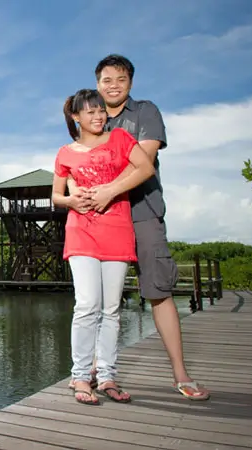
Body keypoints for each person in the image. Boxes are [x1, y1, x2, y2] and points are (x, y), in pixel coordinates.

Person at [69, 54, 211, 401]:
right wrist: (77, 193)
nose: (113, 85)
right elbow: (72, 164)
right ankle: (96, 370)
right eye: (106, 79)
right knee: (99, 301)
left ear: (130, 83)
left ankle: (180, 373)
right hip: (101, 220)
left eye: (120, 79)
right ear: (97, 83)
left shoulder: (145, 112)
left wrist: (107, 191)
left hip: (142, 211)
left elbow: (143, 163)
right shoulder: (92, 116)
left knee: (158, 288)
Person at [52, 88, 156, 405]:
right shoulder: (65, 153)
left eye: (101, 111)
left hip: (117, 230)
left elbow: (145, 168)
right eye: (91, 112)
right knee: (87, 305)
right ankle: (81, 376)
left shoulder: (121, 139)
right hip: (81, 231)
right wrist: (70, 200)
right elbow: (57, 196)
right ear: (76, 117)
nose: (98, 116)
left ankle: (107, 375)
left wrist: (110, 191)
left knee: (111, 309)